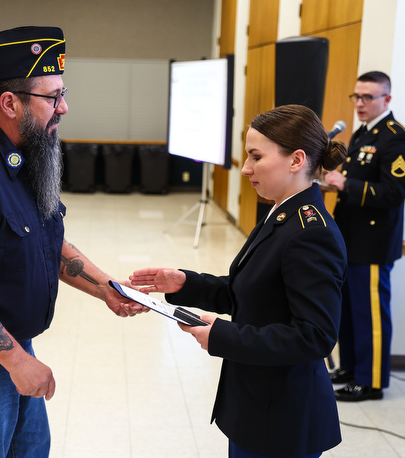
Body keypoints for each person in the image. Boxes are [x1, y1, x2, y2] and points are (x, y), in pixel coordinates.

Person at [0, 26, 143, 457]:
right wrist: (18, 362)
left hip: (11, 341)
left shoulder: (26, 155)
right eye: (52, 97)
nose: (65, 107)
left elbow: (45, 245)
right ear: (10, 102)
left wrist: (108, 289)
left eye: (63, 93)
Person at [130, 104, 348, 458]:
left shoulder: (311, 233)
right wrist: (185, 283)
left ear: (296, 160)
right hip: (256, 405)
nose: (245, 168)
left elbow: (315, 336)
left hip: (282, 419)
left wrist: (221, 334)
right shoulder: (281, 211)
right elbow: (251, 291)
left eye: (255, 156)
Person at [324, 71, 405, 402]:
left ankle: (371, 380)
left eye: (368, 97)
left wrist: (343, 184)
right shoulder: (363, 135)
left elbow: (393, 193)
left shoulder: (396, 139)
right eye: (357, 97)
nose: (360, 104)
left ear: (386, 100)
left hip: (374, 243)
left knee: (370, 314)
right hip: (349, 238)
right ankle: (351, 367)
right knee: (348, 311)